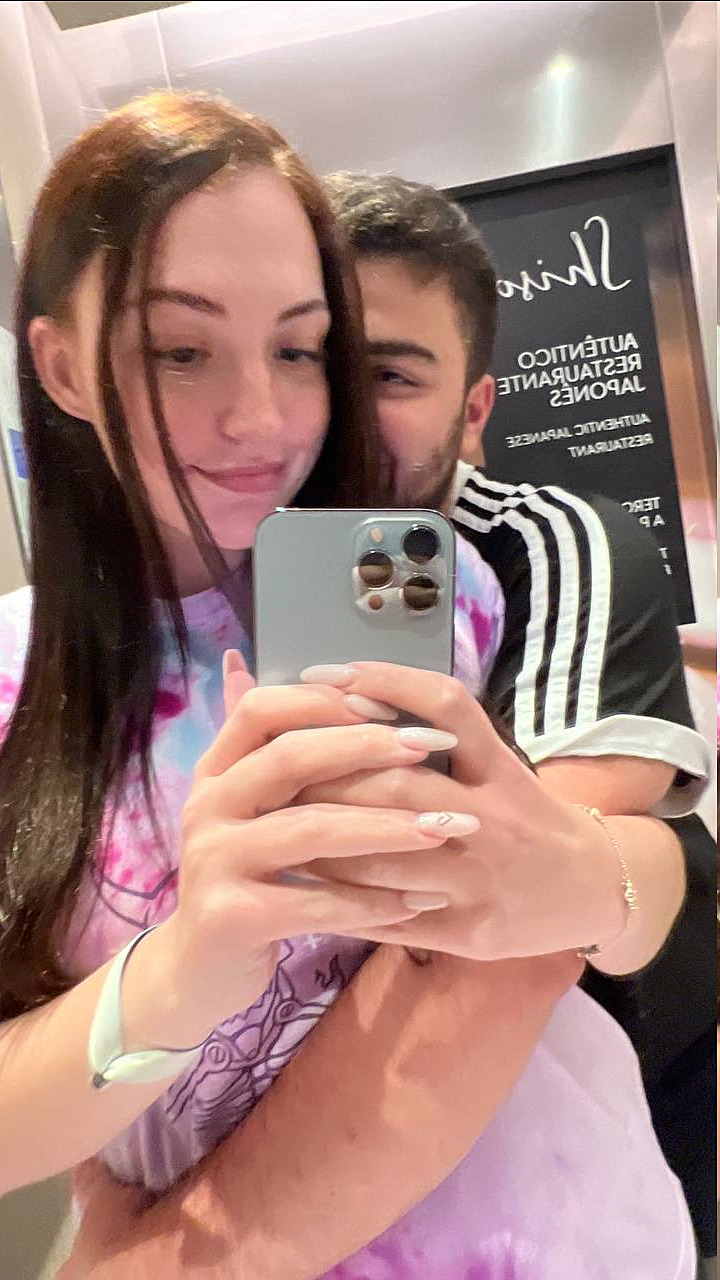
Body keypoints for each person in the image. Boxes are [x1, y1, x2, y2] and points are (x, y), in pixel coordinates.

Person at [0, 93, 694, 1280]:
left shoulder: (423, 586)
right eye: (179, 349)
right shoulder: (20, 680)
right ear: (61, 364)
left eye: (300, 349)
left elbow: (558, 922)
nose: (261, 416)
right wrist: (178, 972)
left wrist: (573, 869)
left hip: (564, 1232)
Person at [323, 170, 717, 1257]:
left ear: (474, 408)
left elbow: (517, 905)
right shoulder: (230, 568)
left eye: (389, 373)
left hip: (594, 1136)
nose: (339, 411)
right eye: (310, 360)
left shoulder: (550, 544)